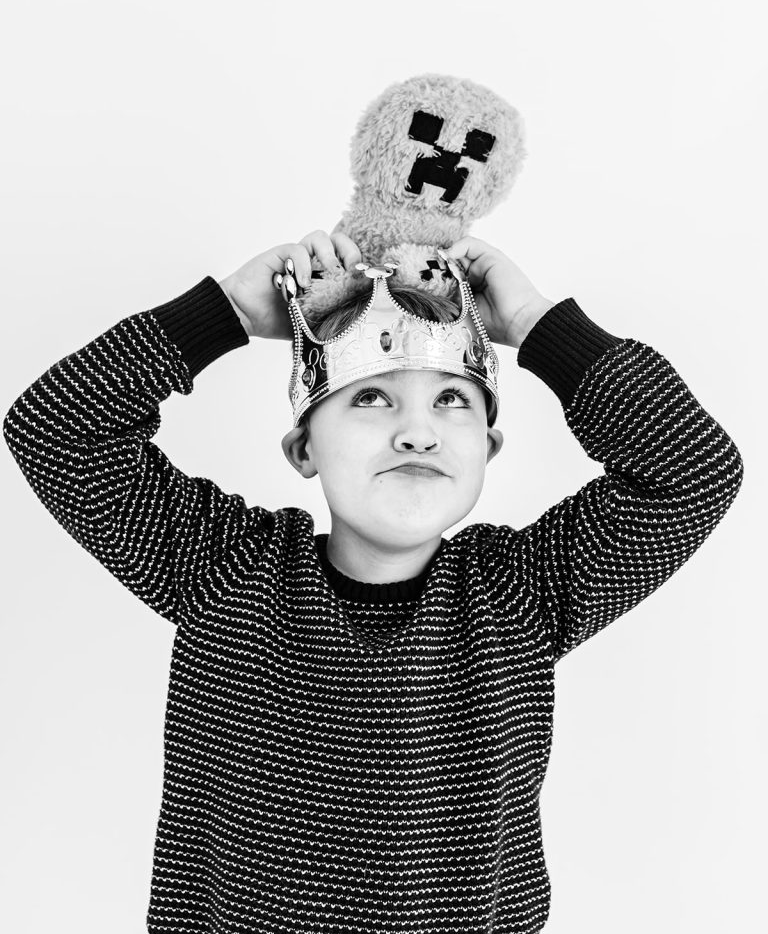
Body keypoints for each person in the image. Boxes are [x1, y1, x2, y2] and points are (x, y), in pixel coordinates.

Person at [3, 227, 744, 933]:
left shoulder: (519, 595)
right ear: (303, 449)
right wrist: (224, 311)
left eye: (451, 400)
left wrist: (532, 322)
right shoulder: (225, 570)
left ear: (488, 448)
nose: (417, 431)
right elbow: (57, 430)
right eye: (370, 397)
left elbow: (691, 472)